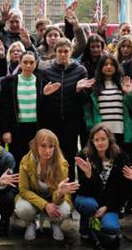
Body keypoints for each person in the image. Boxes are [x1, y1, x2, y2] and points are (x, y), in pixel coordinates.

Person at [14, 129, 78, 242]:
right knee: (23, 209)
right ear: (35, 146)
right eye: (43, 146)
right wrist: (45, 205)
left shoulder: (62, 164)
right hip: (32, 200)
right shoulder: (26, 162)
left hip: (53, 199)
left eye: (51, 146)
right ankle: (31, 223)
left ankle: (55, 224)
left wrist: (60, 193)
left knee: (65, 210)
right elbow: (24, 190)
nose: (47, 150)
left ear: (55, 147)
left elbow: (58, 199)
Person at [74, 124, 132, 244]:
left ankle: (100, 225)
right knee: (89, 205)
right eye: (96, 140)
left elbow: (124, 190)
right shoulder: (84, 156)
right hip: (90, 197)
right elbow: (83, 190)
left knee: (111, 228)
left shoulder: (121, 157)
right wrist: (88, 175)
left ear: (109, 140)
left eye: (103, 139)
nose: (100, 143)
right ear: (92, 141)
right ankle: (86, 226)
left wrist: (107, 207)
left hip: (110, 202)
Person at [40, 37, 88, 180]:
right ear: (55, 52)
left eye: (66, 51)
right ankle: (52, 187)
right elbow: (42, 102)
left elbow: (86, 100)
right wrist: (45, 94)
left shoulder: (80, 70)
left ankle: (70, 187)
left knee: (69, 155)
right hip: (52, 121)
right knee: (51, 156)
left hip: (72, 122)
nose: (62, 54)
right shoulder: (47, 71)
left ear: (71, 52)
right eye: (59, 51)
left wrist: (80, 90)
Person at [83, 54, 132, 152]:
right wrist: (91, 126)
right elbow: (87, 109)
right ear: (101, 67)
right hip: (101, 133)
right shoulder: (94, 86)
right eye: (105, 64)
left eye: (112, 64)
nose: (109, 67)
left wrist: (129, 93)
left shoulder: (124, 84)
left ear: (116, 67)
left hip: (121, 131)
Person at [0, 51, 43, 164]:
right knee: (18, 160)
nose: (28, 65)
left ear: (35, 64)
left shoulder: (41, 81)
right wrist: (6, 130)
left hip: (36, 128)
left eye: (31, 62)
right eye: (25, 62)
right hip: (17, 128)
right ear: (20, 63)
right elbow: (5, 108)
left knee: (35, 160)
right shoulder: (10, 82)